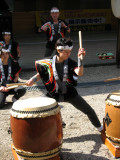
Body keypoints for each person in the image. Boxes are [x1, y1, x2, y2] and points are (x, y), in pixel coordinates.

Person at [26, 37, 103, 132]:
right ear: (58, 50)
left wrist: (80, 59)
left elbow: (79, 72)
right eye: (66, 52)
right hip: (52, 94)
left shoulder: (70, 63)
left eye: (69, 51)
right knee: (39, 110)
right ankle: (42, 132)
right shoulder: (47, 62)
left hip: (69, 93)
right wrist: (32, 80)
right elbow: (40, 74)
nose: (68, 54)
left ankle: (100, 128)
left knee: (89, 110)